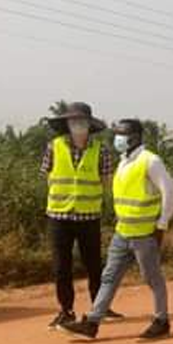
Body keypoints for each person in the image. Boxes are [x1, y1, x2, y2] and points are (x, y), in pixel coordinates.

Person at [58, 119, 173, 340]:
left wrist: (161, 224)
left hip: (144, 233)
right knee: (109, 277)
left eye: (121, 134)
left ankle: (162, 320)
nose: (117, 139)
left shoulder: (150, 161)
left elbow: (169, 192)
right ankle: (92, 322)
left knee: (152, 278)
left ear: (135, 136)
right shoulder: (123, 161)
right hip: (122, 232)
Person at [41, 101, 123, 329]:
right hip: (59, 217)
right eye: (73, 120)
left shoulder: (101, 151)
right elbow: (47, 177)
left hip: (89, 217)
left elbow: (107, 183)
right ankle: (66, 311)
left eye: (82, 120)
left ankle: (100, 307)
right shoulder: (53, 146)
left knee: (95, 265)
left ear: (89, 124)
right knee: (61, 267)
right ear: (66, 123)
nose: (77, 124)